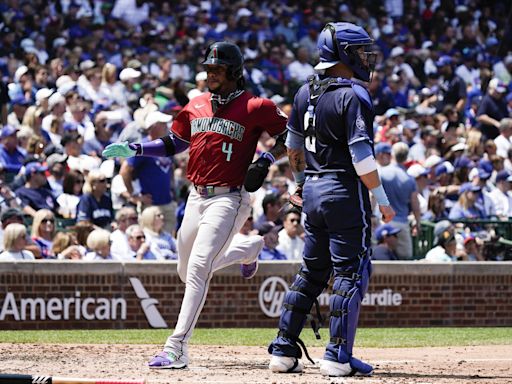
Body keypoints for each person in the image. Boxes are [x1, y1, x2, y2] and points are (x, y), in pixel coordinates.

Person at [102, 41, 288, 369]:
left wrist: (269, 158)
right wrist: (137, 148)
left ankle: (176, 347)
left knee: (200, 268)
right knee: (185, 272)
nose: (210, 74)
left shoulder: (256, 106)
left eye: (216, 69)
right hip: (196, 195)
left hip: (230, 197)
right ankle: (248, 249)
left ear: (233, 71)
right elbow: (175, 142)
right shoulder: (197, 103)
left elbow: (291, 134)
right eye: (208, 69)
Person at [267, 22, 395, 378]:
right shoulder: (354, 94)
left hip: (313, 190)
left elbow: (292, 147)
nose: (365, 59)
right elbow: (362, 159)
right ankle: (338, 355)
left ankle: (283, 349)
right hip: (343, 190)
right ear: (343, 53)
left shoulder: (304, 90)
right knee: (350, 275)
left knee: (310, 272)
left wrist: (299, 182)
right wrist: (382, 199)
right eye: (359, 51)